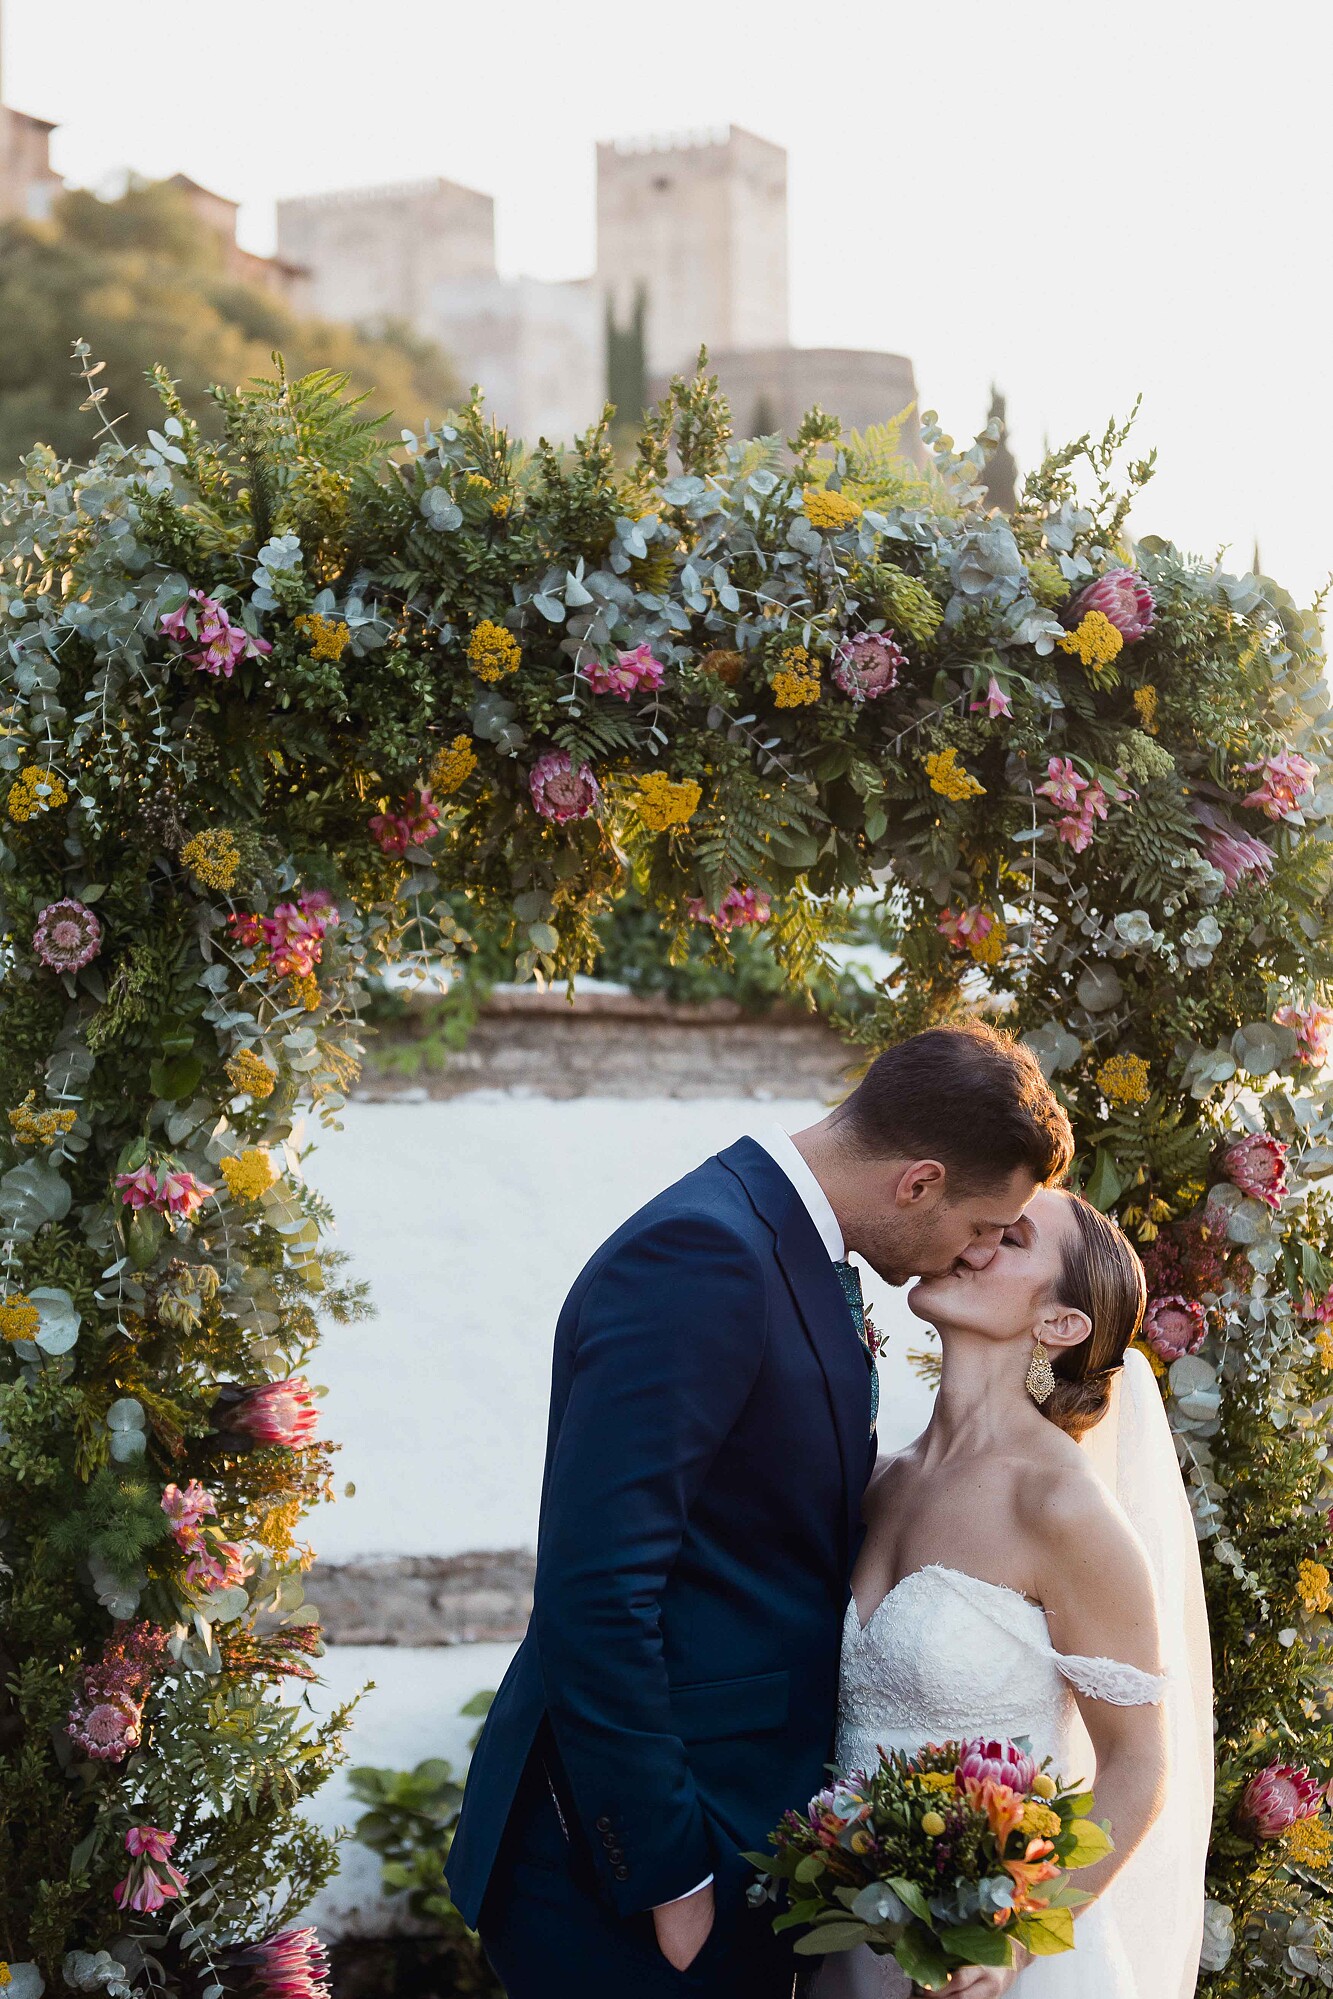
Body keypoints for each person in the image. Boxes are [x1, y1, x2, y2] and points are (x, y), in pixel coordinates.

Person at [445, 1024, 1074, 1996]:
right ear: (918, 1180)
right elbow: (597, 1590)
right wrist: (670, 1874)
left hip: (743, 1840)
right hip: (623, 1878)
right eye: (985, 1224)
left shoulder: (782, 1245)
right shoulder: (704, 1255)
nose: (977, 1251)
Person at [814, 1188, 1211, 1998]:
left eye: (1011, 1236)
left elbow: (1138, 1763)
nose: (974, 1240)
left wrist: (1013, 1938)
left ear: (1060, 1323)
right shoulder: (879, 1481)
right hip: (850, 1945)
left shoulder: (1059, 1506)